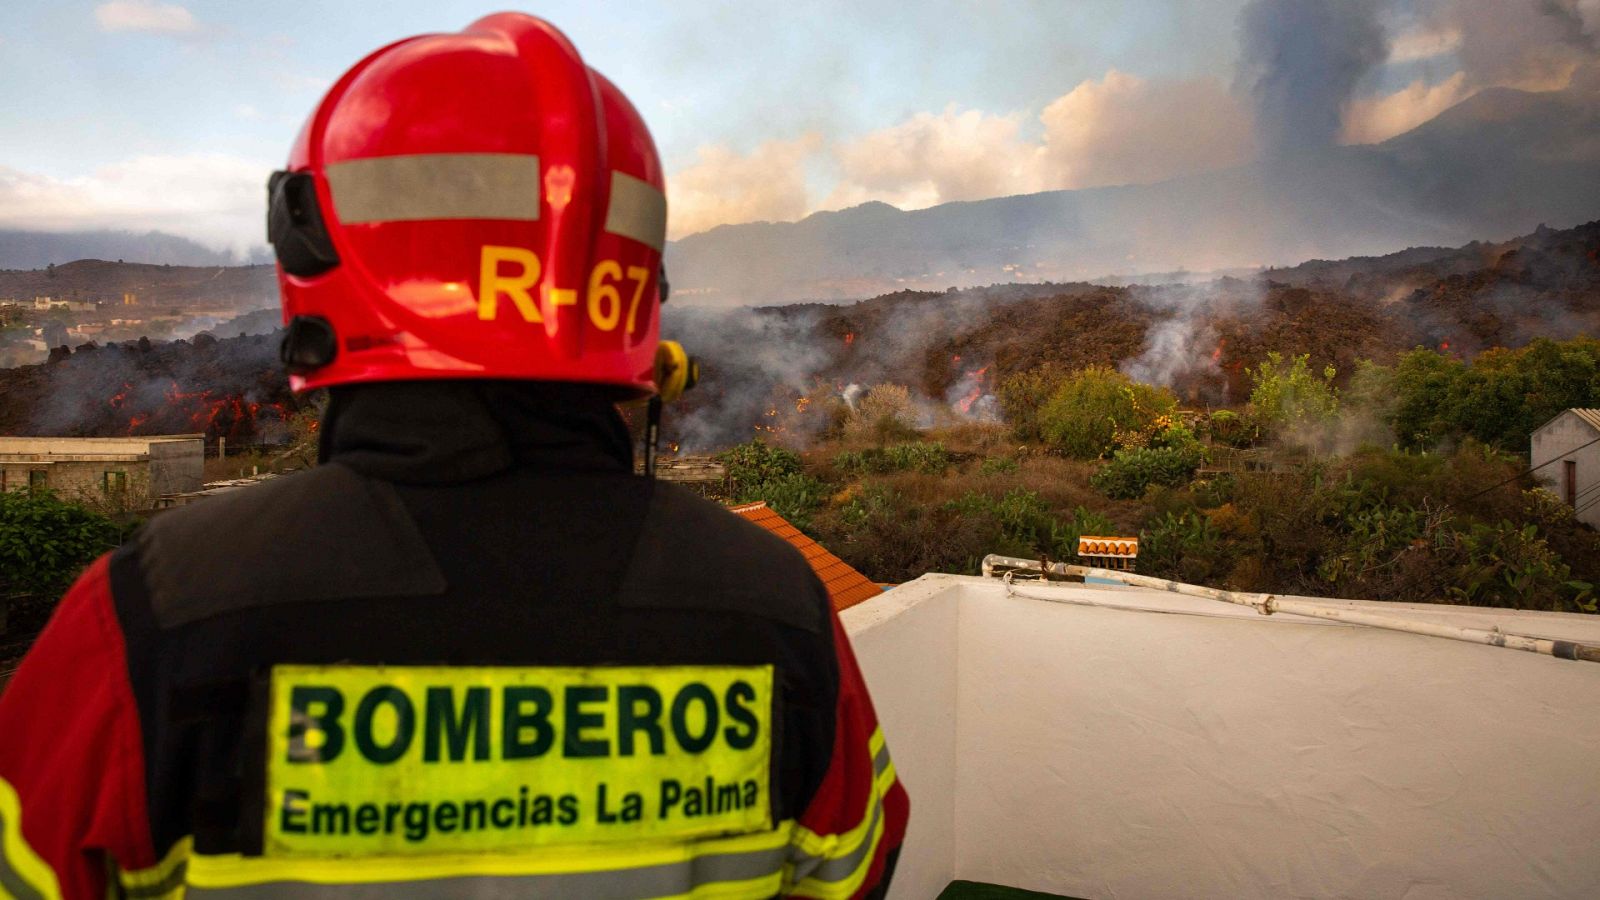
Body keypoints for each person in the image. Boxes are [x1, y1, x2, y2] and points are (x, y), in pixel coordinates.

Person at [0, 13, 907, 899]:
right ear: (633, 284)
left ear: (317, 247)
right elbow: (858, 861)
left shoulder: (155, 617)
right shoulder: (780, 614)